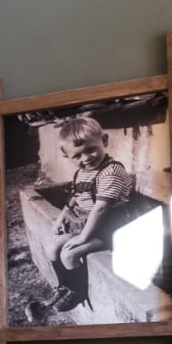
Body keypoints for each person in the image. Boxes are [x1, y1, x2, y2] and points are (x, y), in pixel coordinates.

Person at [35, 118, 136, 313]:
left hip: (111, 227)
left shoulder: (111, 172)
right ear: (67, 156)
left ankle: (77, 292)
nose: (86, 158)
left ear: (104, 141)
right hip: (87, 224)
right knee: (52, 247)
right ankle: (64, 286)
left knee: (69, 254)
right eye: (77, 156)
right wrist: (62, 216)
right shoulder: (83, 172)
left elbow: (101, 209)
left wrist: (82, 237)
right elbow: (76, 195)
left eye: (91, 149)